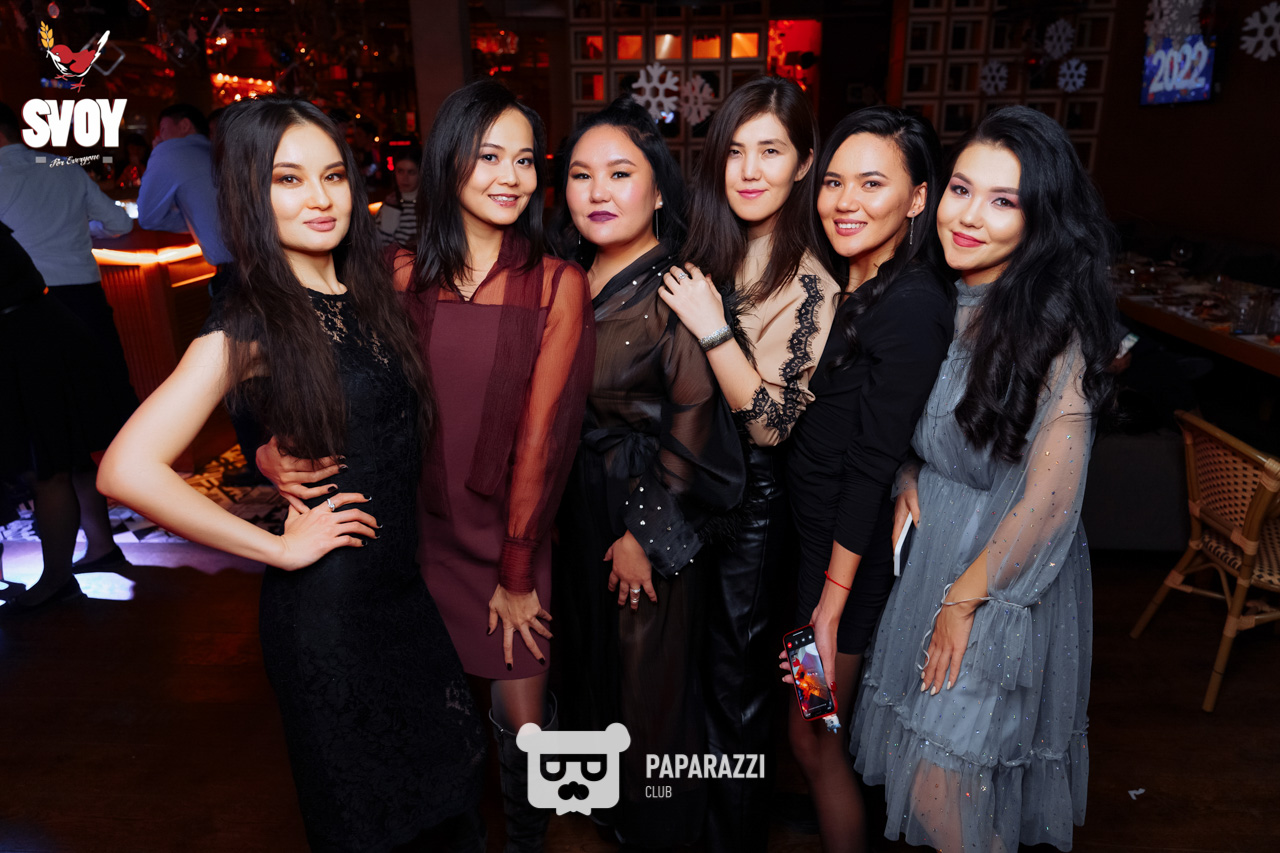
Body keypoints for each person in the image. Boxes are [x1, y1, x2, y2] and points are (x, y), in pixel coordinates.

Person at [97, 96, 485, 851]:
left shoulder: (368, 292)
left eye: (333, 175)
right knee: (375, 828)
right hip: (329, 614)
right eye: (288, 179)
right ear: (251, 192)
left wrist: (269, 449)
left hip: (403, 595)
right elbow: (127, 468)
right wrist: (275, 547)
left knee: (450, 799)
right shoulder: (252, 321)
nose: (320, 197)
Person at [259, 80, 594, 853]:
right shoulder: (397, 274)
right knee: (421, 721)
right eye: (489, 156)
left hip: (510, 535)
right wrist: (269, 446)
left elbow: (544, 440)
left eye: (524, 160)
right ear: (448, 163)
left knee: (523, 728)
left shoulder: (557, 284)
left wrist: (517, 568)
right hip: (409, 536)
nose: (511, 176)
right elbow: (320, 373)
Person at [851, 105, 1117, 852]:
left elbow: (1051, 502)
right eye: (962, 190)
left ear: (1041, 221)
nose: (968, 216)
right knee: (929, 781)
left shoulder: (1054, 328)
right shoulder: (933, 300)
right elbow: (917, 421)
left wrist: (964, 599)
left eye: (1004, 201)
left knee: (945, 788)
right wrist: (910, 471)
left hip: (1002, 576)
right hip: (932, 555)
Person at [550, 96, 745, 849]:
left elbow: (695, 420)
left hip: (646, 510)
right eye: (581, 175)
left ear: (658, 190)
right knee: (590, 666)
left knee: (651, 685)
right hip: (577, 506)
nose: (598, 192)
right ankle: (603, 813)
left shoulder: (676, 288)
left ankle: (662, 830)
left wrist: (644, 534)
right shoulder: (565, 278)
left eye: (620, 173)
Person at [655, 75, 839, 853]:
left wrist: (712, 326)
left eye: (771, 150)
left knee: (739, 685)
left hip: (757, 508)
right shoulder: (711, 247)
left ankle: (732, 836)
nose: (750, 169)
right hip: (695, 483)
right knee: (691, 675)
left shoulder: (809, 280)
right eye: (735, 151)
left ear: (804, 163)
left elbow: (770, 423)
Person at [779, 106, 954, 853]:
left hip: (840, 572)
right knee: (812, 734)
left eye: (872, 183)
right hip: (815, 555)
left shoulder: (910, 303)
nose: (845, 201)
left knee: (815, 736)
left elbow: (870, 466)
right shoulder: (851, 287)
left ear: (918, 198)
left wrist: (828, 610)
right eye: (833, 182)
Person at [0, 100, 135, 587]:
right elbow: (121, 224)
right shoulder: (61, 165)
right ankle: (101, 545)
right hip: (85, 305)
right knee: (82, 434)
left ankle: (57, 574)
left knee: (47, 447)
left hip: (25, 311)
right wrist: (76, 235)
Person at [0, 222, 125, 612]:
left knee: (48, 467)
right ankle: (98, 550)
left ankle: (57, 581)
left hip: (28, 342)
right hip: (41, 329)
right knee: (66, 458)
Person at [139, 103, 263, 485]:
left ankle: (260, 466)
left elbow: (148, 216)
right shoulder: (220, 153)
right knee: (269, 370)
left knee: (237, 375)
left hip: (236, 278)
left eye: (162, 128)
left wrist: (194, 220)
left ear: (182, 125)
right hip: (267, 270)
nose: (157, 137)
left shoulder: (170, 151)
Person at [374, 143, 421, 251]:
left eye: (411, 172)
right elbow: (378, 245)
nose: (405, 178)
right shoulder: (390, 203)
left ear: (420, 173)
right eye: (400, 171)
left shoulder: (431, 204)